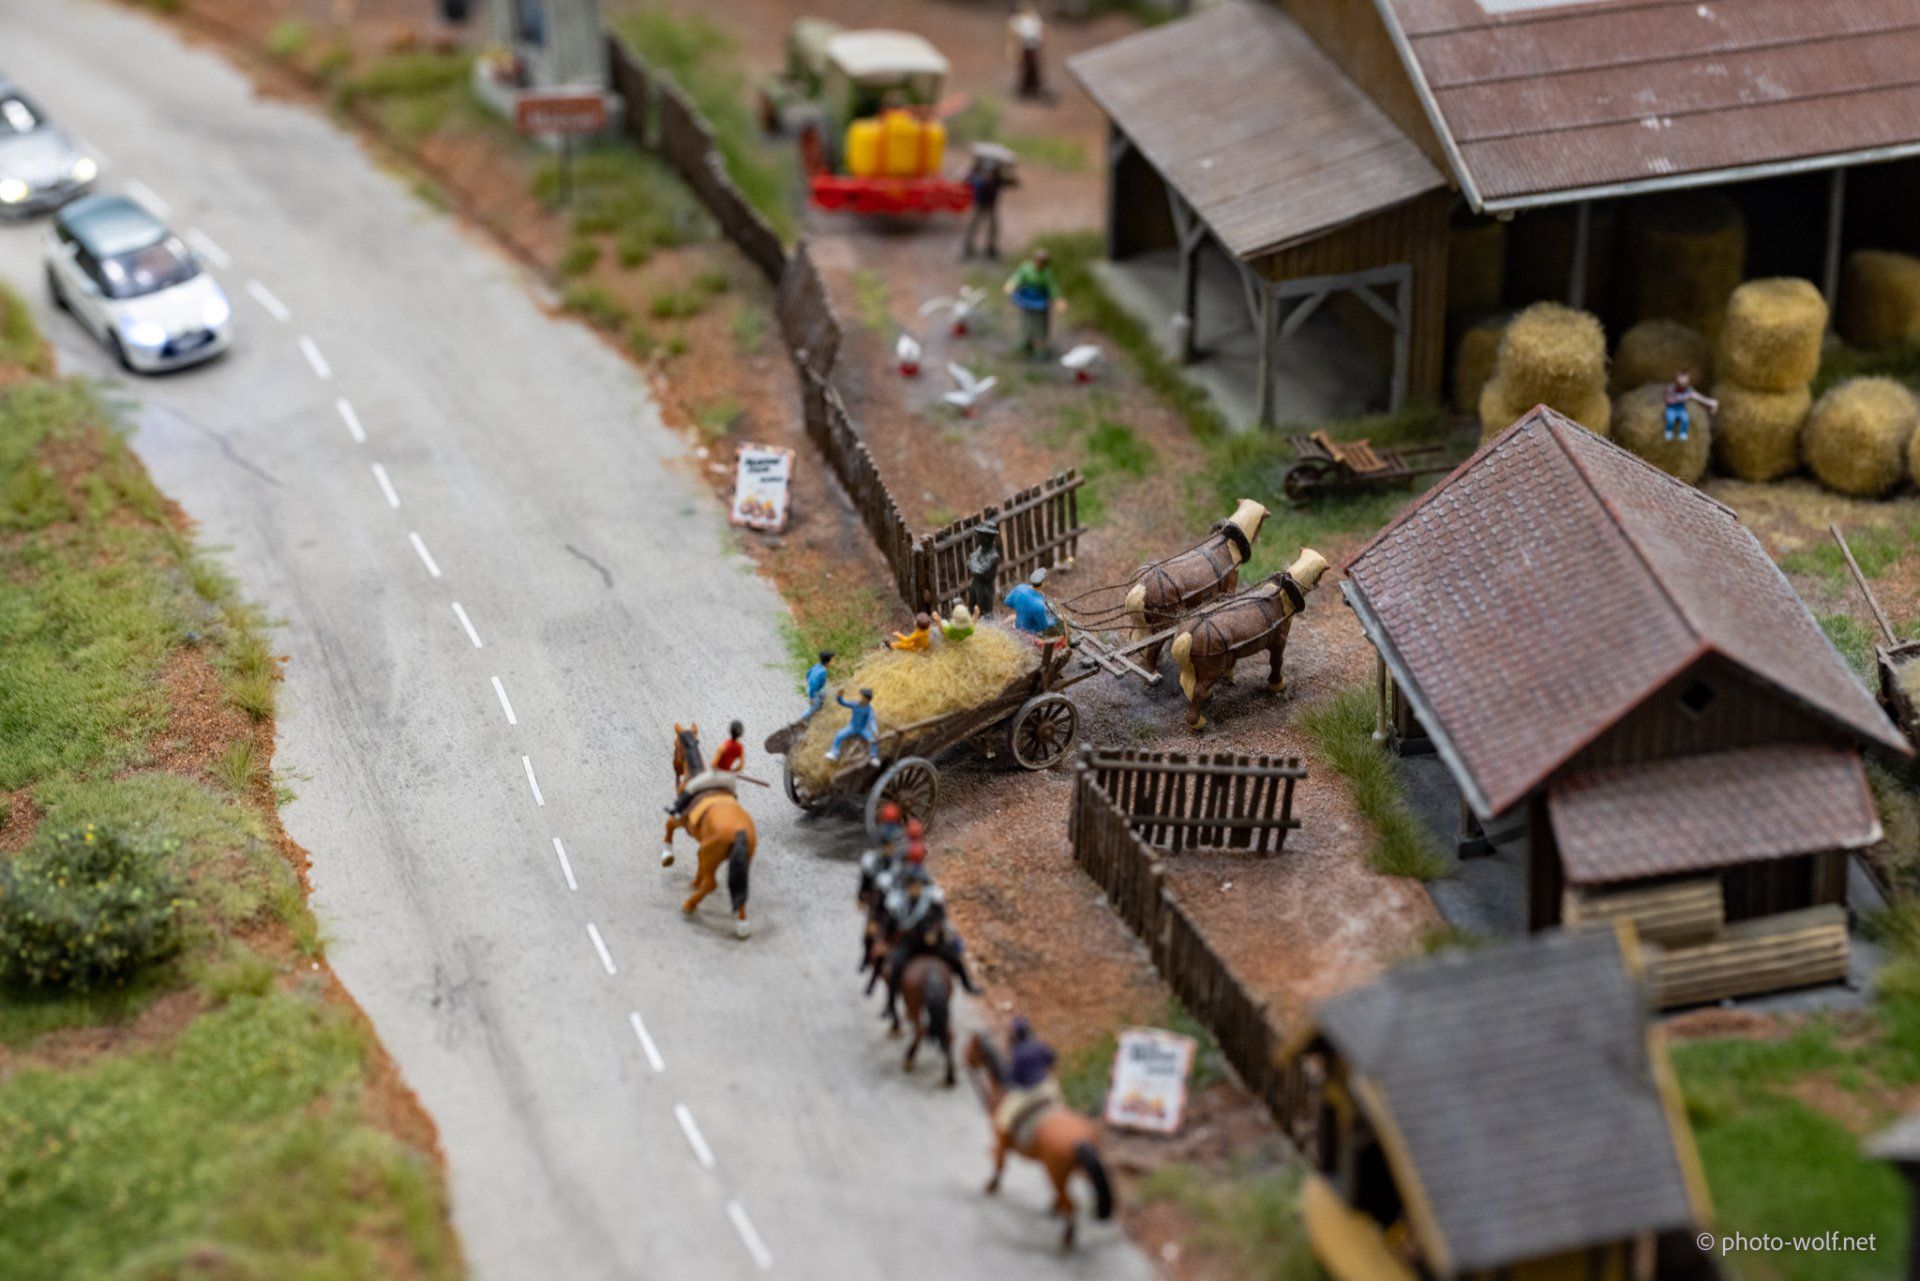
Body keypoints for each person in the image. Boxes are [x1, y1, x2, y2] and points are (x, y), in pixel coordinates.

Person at [883, 842, 982, 1022]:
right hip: (910, 942)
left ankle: (968, 984)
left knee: (954, 957)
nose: (914, 889)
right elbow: (895, 921)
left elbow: (940, 918)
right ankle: (890, 1004)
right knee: (895, 966)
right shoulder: (901, 901)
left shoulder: (929, 899)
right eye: (911, 886)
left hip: (930, 940)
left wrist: (934, 931)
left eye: (917, 886)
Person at [992, 1017, 1063, 1143]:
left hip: (1029, 1092)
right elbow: (1052, 1060)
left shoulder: (1016, 1053)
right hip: (1047, 1087)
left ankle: (1000, 1148)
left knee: (1003, 1119)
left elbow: (1012, 1079)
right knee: (1062, 1107)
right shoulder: (1039, 1045)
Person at [666, 720, 747, 815]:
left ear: (730, 731)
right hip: (730, 779)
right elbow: (741, 766)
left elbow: (713, 764)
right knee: (733, 797)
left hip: (718, 775)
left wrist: (720, 769)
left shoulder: (723, 746)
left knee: (691, 786)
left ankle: (676, 809)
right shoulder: (741, 747)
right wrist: (731, 771)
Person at [1004, 247, 1063, 359]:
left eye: (1042, 262)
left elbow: (1053, 287)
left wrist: (1058, 299)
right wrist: (1012, 284)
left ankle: (1040, 347)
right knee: (1026, 321)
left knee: (1040, 325)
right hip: (1026, 300)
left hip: (1041, 303)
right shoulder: (1026, 268)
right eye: (1038, 260)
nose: (1039, 263)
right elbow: (1017, 277)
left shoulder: (1046, 273)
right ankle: (1026, 342)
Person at [961, 150, 1018, 261]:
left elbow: (1014, 183)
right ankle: (968, 248)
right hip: (979, 205)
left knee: (993, 227)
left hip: (991, 206)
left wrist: (1010, 171)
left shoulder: (998, 180)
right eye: (987, 171)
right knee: (974, 225)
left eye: (991, 172)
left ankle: (990, 248)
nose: (989, 174)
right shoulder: (979, 179)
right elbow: (965, 179)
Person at [825, 688, 880, 763]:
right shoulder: (855, 704)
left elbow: (872, 720)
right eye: (860, 696)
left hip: (863, 729)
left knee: (873, 739)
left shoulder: (869, 710)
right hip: (852, 727)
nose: (859, 698)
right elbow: (843, 703)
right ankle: (834, 753)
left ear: (867, 699)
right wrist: (839, 697)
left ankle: (873, 757)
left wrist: (875, 730)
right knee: (839, 735)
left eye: (862, 697)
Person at [1003, 568, 1061, 637]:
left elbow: (1007, 602)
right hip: (1030, 633)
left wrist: (1021, 609)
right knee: (1052, 611)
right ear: (1043, 583)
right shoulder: (1039, 605)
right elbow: (1043, 626)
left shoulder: (1020, 588)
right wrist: (1055, 619)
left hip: (1018, 623)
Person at [1663, 372, 1719, 442]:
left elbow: (1697, 396)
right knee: (1670, 419)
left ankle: (1683, 433)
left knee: (1685, 419)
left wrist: (1709, 402)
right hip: (1672, 408)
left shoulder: (1688, 390)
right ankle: (1668, 432)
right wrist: (1677, 399)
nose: (1683, 386)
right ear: (1676, 382)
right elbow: (1667, 399)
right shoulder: (1670, 388)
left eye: (1684, 384)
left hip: (1681, 408)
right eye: (1680, 384)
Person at [1007, 1, 1046, 101]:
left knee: (1034, 67)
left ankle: (1034, 88)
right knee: (1025, 67)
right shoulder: (1017, 20)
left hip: (1033, 45)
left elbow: (1039, 31)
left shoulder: (1034, 18)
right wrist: (1013, 47)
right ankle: (1025, 88)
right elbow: (1013, 34)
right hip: (1023, 46)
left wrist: (1040, 41)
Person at [965, 520, 1002, 618]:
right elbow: (969, 563)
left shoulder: (993, 556)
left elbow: (978, 571)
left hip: (984, 589)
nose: (977, 537)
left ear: (986, 539)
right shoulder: (980, 549)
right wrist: (973, 563)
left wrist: (973, 563)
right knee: (971, 611)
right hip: (975, 585)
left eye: (979, 535)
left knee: (984, 616)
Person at [804, 650, 836, 719]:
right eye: (833, 660)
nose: (834, 662)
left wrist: (808, 683)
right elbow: (814, 685)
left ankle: (820, 712)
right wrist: (812, 697)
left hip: (811, 688)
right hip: (814, 692)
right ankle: (802, 720)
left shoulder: (817, 666)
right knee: (812, 709)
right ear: (828, 662)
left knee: (826, 698)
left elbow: (807, 674)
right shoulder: (822, 672)